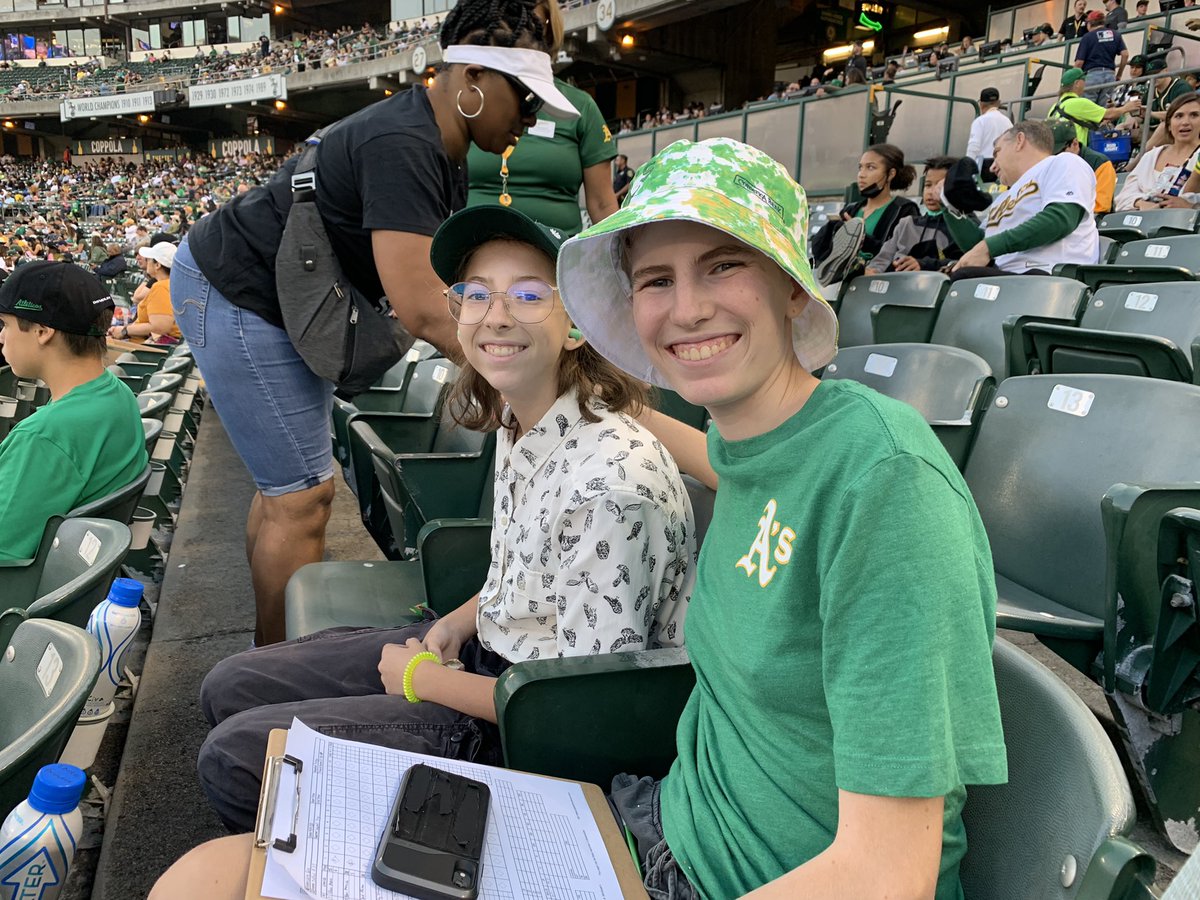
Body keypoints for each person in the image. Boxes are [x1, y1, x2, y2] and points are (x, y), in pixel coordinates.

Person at [150, 206, 694, 874]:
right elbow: (519, 575)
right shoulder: (521, 416)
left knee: (234, 758)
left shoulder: (613, 485)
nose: (495, 315)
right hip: (485, 656)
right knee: (228, 685)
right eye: (474, 293)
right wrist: (457, 626)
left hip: (519, 731)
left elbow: (578, 714)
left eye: (528, 294)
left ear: (577, 321)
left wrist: (422, 680)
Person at [556, 137, 1006, 898]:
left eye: (724, 264)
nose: (688, 308)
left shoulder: (885, 482)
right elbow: (731, 465)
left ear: (793, 289)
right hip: (668, 818)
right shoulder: (750, 449)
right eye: (656, 279)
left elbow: (886, 876)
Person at [170, 1, 579, 647]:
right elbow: (422, 307)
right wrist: (537, 387)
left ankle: (265, 658)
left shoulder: (437, 140)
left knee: (290, 493)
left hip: (271, 296)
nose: (530, 121)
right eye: (525, 100)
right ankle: (275, 678)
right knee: (300, 500)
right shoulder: (405, 142)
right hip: (239, 290)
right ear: (472, 78)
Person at [0, 261, 147, 560]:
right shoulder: (118, 393)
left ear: (42, 331)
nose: (2, 336)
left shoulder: (45, 436)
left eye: (6, 324)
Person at [466, 0, 617, 235]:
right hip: (475, 255)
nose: (517, 25)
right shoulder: (470, 100)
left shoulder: (579, 106)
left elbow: (602, 204)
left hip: (556, 258)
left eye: (530, 17)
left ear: (548, 27)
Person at [945, 120, 1100, 278]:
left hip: (1051, 277)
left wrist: (988, 247)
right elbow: (977, 249)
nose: (992, 167)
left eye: (996, 152)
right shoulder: (1003, 198)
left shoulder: (1063, 162)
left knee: (960, 278)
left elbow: (1061, 219)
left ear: (1019, 141)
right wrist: (947, 205)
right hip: (1007, 277)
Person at [812, 143, 919, 284]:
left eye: (871, 168)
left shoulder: (904, 210)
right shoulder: (850, 210)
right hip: (843, 285)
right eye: (860, 167)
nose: (862, 175)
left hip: (878, 286)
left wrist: (862, 239)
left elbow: (899, 255)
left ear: (890, 174)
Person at [865, 157, 964, 274]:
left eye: (940, 186)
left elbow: (963, 263)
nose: (931, 192)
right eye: (928, 185)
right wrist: (872, 271)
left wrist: (923, 265)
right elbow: (882, 260)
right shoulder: (906, 223)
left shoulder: (964, 227)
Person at [1116, 92, 1200, 208]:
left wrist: (1190, 206)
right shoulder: (1151, 156)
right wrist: (1140, 203)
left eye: (1194, 115)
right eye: (1179, 116)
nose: (1185, 122)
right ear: (1169, 125)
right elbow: (1123, 197)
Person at [109, 242, 179, 344]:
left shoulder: (161, 287)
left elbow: (159, 327)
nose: (146, 261)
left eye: (149, 259)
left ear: (158, 265)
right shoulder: (168, 284)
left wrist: (124, 331)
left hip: (143, 348)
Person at [1050, 67, 1141, 145]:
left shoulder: (1054, 107)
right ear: (1077, 83)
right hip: (1074, 151)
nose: (1085, 83)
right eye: (1084, 80)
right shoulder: (1079, 103)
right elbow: (1108, 114)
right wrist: (1126, 107)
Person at [1050, 119, 1118, 213]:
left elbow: (1101, 206)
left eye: (1058, 153)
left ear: (1075, 143)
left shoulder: (1100, 163)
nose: (1053, 157)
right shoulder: (1047, 163)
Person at [1074, 11, 1128, 103]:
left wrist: (1074, 79)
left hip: (1092, 75)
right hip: (1110, 76)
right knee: (1104, 110)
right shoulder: (1115, 34)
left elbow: (1079, 62)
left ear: (1090, 23)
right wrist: (1119, 74)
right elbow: (1125, 55)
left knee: (1088, 107)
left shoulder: (1087, 37)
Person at [966, 87, 1012, 173]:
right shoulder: (1007, 121)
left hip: (983, 167)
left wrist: (967, 169)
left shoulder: (980, 121)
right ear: (998, 103)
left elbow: (973, 147)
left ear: (981, 104)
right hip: (1001, 166)